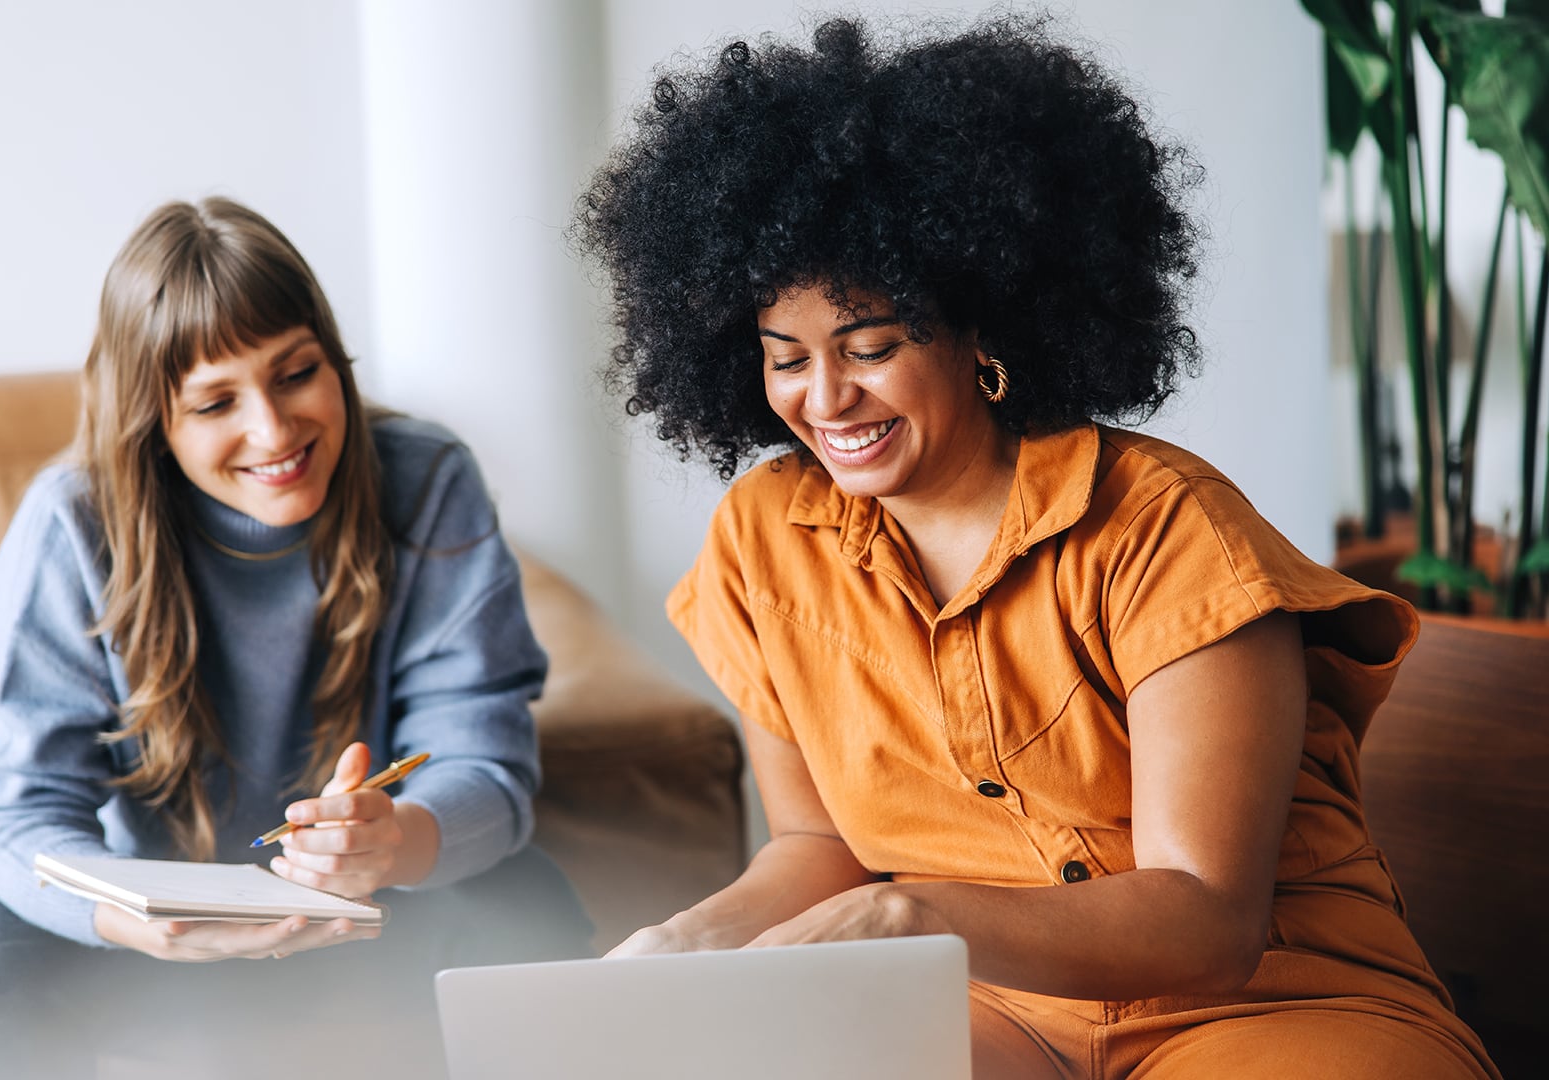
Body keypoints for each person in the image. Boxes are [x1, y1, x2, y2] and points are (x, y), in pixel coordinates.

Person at [572, 15, 1498, 1080]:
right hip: (984, 1007)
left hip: (1270, 1000)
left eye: (871, 347)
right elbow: (818, 850)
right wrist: (684, 941)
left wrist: (907, 915)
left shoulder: (1162, 527)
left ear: (985, 328)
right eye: (787, 360)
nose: (825, 400)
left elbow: (1207, 920)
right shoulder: (762, 541)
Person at [0, 196, 590, 1079]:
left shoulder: (427, 480)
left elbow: (486, 761)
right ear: (154, 423)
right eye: (214, 404)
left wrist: (398, 840)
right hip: (155, 942)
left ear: (335, 360)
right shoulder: (72, 525)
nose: (275, 433)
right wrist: (134, 919)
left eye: (295, 373)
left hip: (369, 913)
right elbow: (12, 813)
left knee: (524, 894)